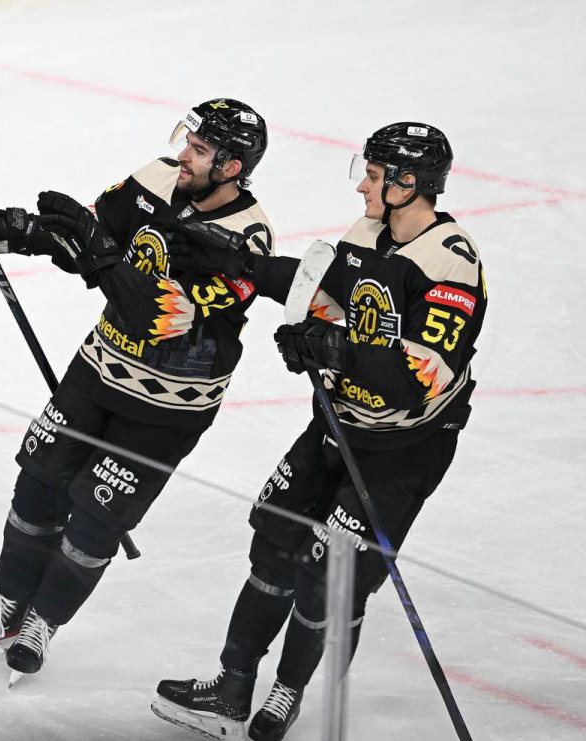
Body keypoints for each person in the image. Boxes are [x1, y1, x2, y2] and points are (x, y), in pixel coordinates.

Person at [151, 122, 487, 740]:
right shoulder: (368, 232)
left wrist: (334, 348)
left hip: (400, 450)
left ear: (408, 183)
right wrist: (240, 263)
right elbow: (323, 289)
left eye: (374, 176)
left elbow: (417, 381)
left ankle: (287, 693)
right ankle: (232, 686)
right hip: (335, 425)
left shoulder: (449, 264)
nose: (362, 186)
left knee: (331, 578)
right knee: (274, 541)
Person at [0, 100, 274, 684]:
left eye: (200, 150)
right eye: (187, 141)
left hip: (168, 409)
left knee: (96, 520)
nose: (184, 155)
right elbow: (85, 237)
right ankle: (9, 604)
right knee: (38, 484)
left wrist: (96, 247)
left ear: (231, 168)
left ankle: (43, 621)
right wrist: (8, 231)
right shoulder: (156, 178)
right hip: (98, 369)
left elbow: (157, 315)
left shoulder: (246, 238)